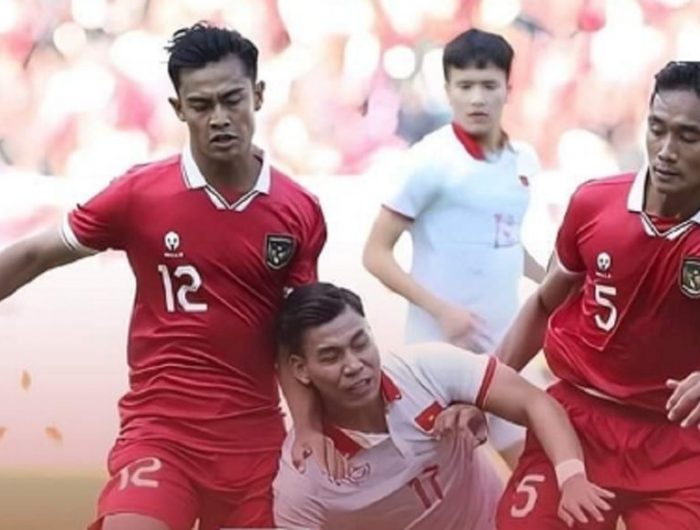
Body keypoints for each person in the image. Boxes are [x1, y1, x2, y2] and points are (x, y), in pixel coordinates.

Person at [0, 23, 327, 530]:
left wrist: (310, 426)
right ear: (178, 109)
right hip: (161, 435)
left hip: (255, 445)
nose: (219, 118)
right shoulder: (139, 195)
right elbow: (34, 255)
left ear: (258, 95)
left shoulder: (298, 209)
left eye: (232, 99)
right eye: (201, 105)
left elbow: (304, 337)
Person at [496, 60, 700, 529]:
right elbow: (544, 304)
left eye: (689, 137)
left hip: (680, 444)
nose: (666, 151)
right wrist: (484, 386)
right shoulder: (594, 203)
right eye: (657, 129)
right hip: (577, 424)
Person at [272, 282, 614, 530]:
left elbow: (535, 402)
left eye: (360, 343)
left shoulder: (426, 368)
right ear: (300, 369)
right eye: (330, 356)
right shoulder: (302, 478)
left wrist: (572, 477)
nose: (353, 365)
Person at [363, 28, 543, 468]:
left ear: (508, 88)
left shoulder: (522, 160)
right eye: (465, 86)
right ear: (447, 90)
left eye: (488, 85)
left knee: (531, 469)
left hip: (501, 351)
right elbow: (376, 254)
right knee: (439, 481)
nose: (477, 98)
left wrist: (552, 281)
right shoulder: (430, 161)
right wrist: (441, 310)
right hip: (437, 356)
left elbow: (503, 243)